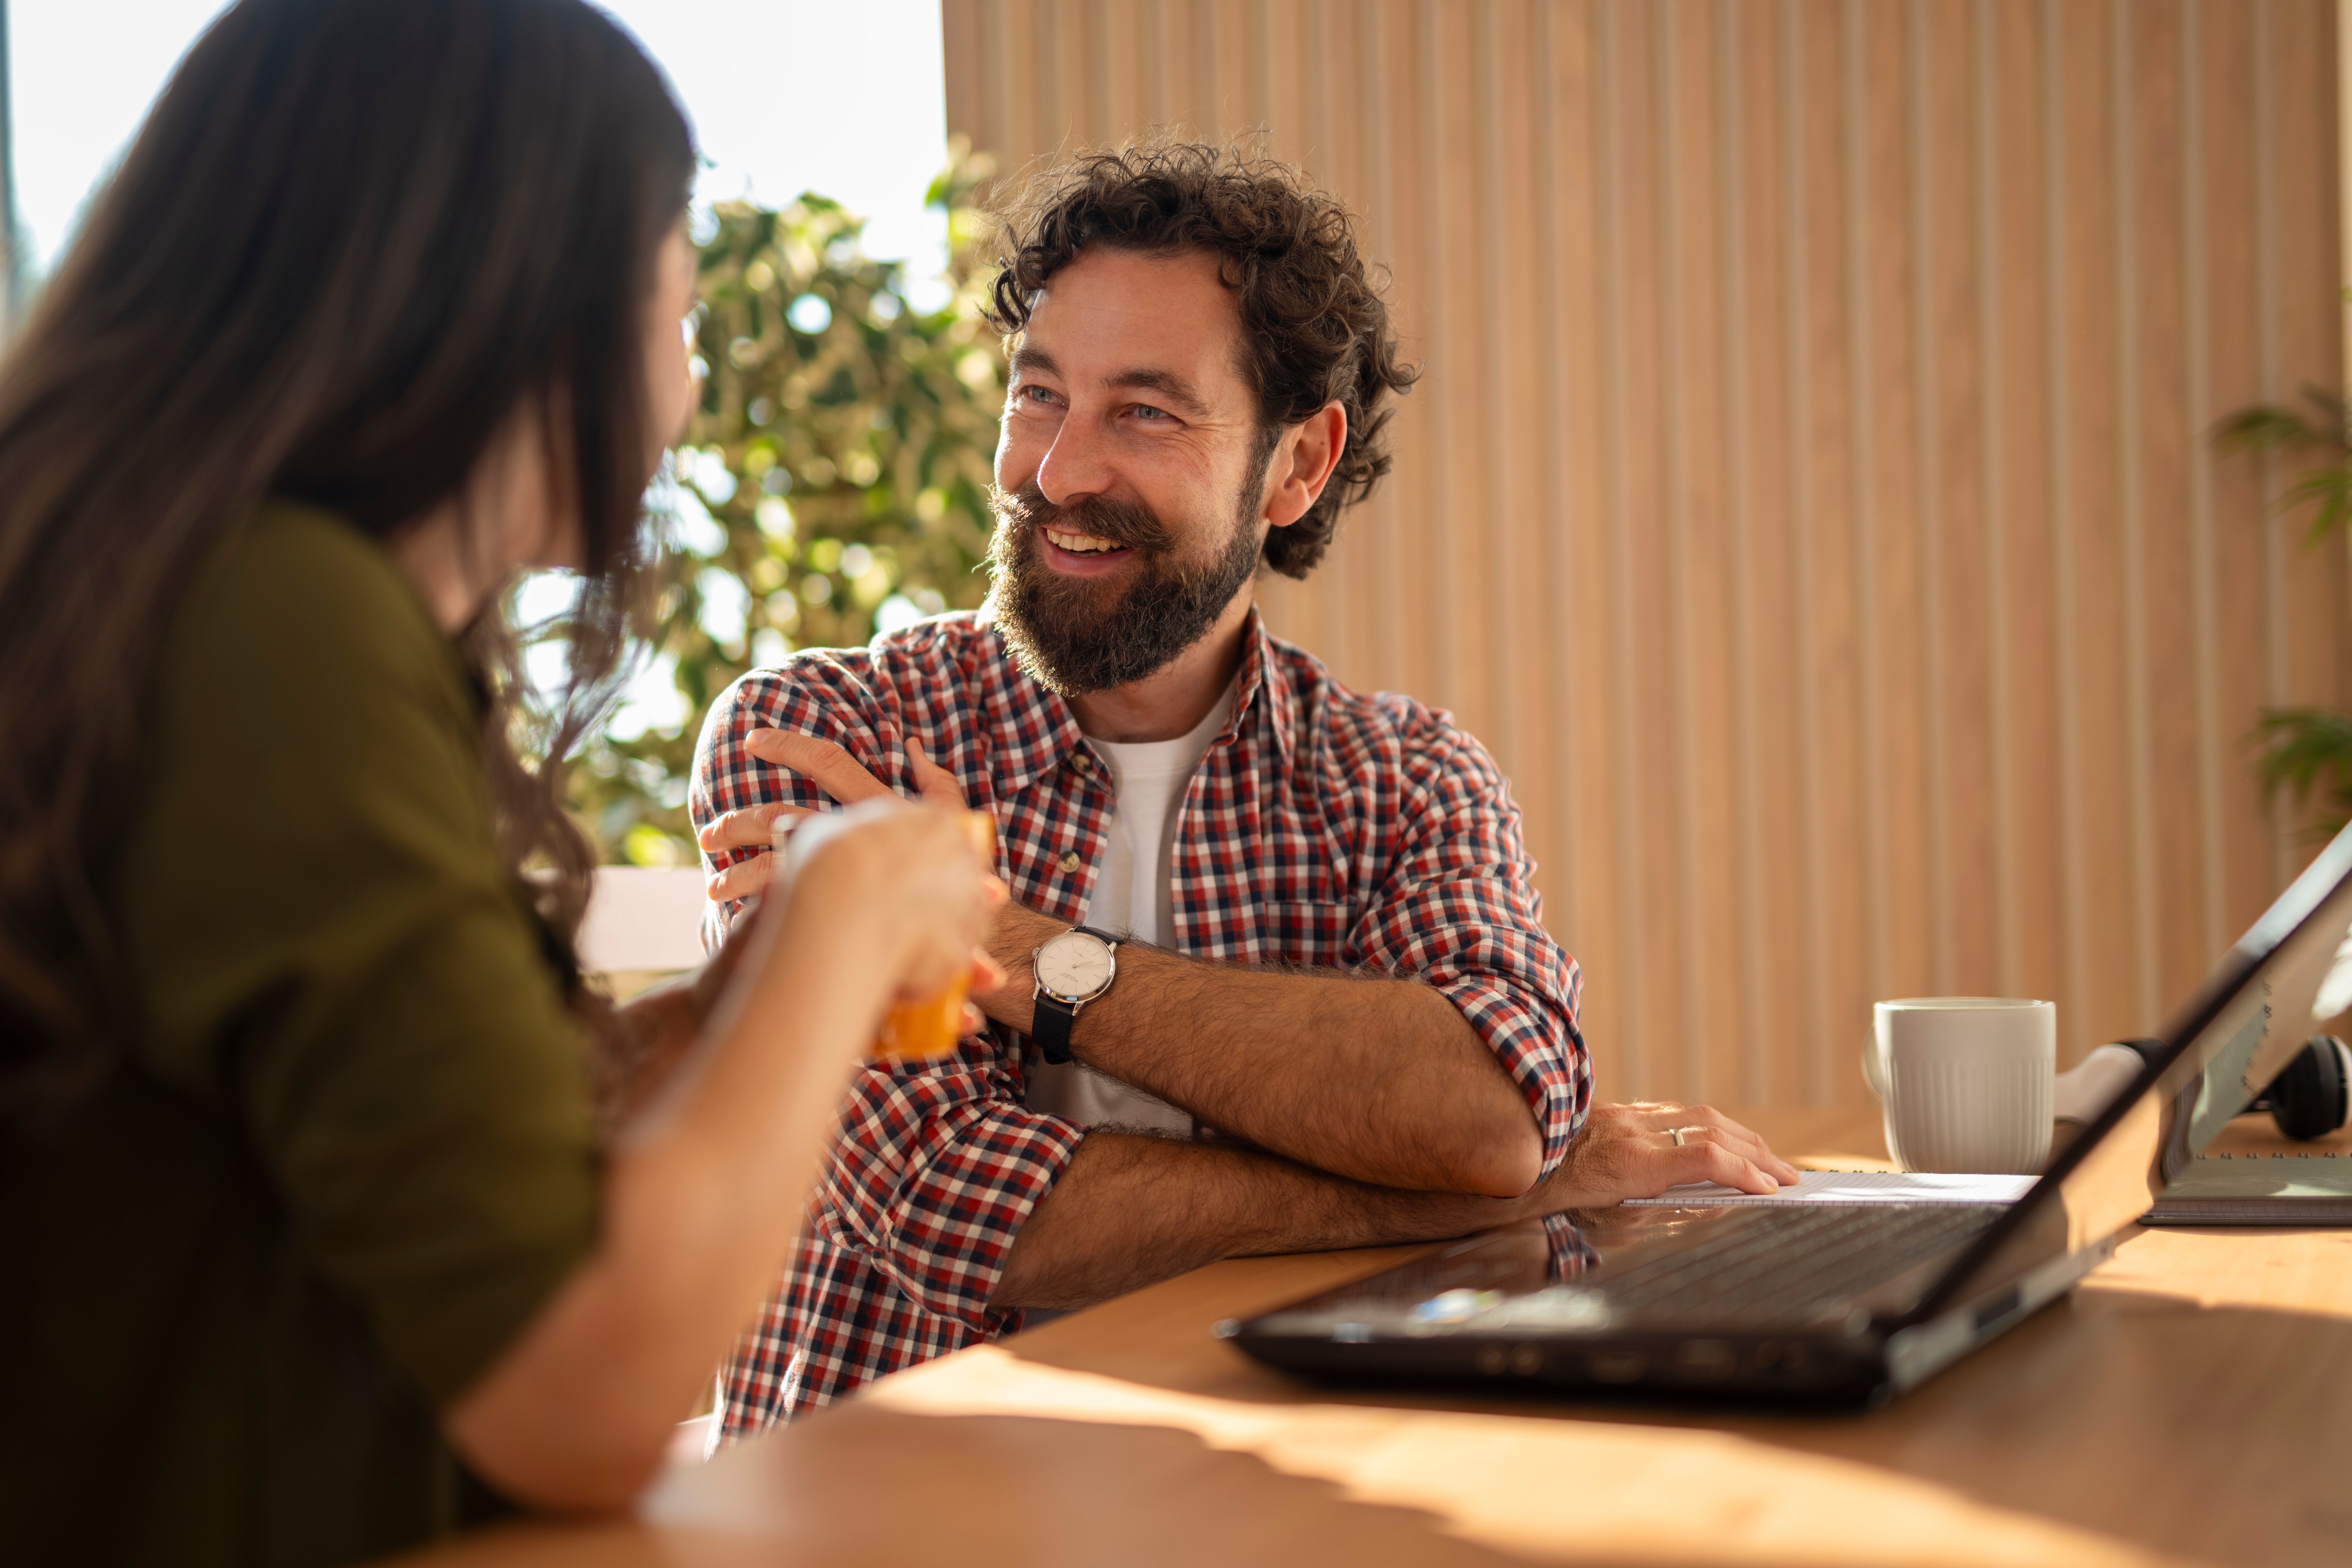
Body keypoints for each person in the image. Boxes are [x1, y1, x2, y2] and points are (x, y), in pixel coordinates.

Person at [0, 3, 998, 1564]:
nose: (682, 400)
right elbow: (577, 1384)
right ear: (519, 305)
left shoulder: (229, 600)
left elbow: (430, 1153)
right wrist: (846, 902)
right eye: (672, 311)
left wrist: (737, 1006)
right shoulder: (278, 629)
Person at [690, 141, 1800, 1436]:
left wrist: (1010, 945)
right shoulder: (826, 739)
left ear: (1297, 466)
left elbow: (1491, 1112)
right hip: (883, 1514)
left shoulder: (1400, 778)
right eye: (1039, 394)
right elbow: (951, 1210)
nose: (1056, 474)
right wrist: (1489, 1194)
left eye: (1144, 411)